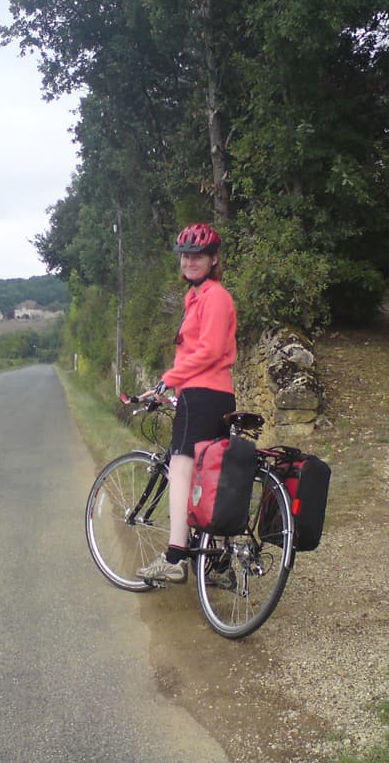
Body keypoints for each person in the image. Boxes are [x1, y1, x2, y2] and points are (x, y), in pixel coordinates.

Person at [137, 222, 237, 584]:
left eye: (198, 256)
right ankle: (219, 561)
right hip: (209, 394)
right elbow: (196, 351)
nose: (190, 262)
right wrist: (171, 385)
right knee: (210, 475)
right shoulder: (195, 298)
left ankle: (175, 555)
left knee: (181, 470)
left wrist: (171, 379)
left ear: (213, 259)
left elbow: (208, 351)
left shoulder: (215, 297)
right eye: (185, 256)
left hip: (201, 393)